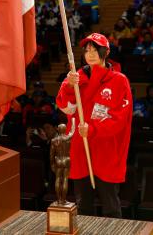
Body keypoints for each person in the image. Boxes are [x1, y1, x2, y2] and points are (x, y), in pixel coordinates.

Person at [56, 33, 132, 218]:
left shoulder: (119, 80)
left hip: (106, 150)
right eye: (87, 50)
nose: (90, 54)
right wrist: (68, 88)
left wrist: (94, 129)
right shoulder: (75, 77)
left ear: (105, 51)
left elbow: (121, 120)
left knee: (111, 206)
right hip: (81, 148)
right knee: (83, 206)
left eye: (95, 50)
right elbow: (67, 109)